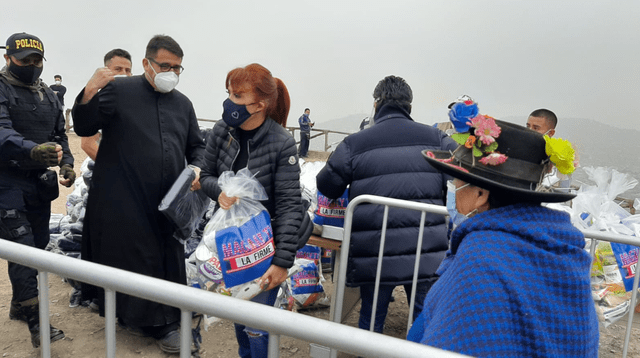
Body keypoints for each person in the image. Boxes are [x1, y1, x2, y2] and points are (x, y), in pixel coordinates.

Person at [409, 117, 598, 357]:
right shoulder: (567, 253)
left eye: (456, 180)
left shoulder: (479, 259)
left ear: (479, 194)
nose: (452, 187)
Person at [71, 35, 204, 353]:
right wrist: (89, 90)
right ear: (147, 64)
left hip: (169, 203)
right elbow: (84, 126)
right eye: (165, 65)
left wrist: (198, 169)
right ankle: (158, 325)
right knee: (133, 258)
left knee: (165, 260)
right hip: (124, 197)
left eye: (177, 67)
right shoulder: (119, 90)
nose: (171, 72)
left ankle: (164, 314)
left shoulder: (183, 104)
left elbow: (197, 146)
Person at [315, 75, 458, 334]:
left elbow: (327, 186)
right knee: (424, 319)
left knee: (371, 318)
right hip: (425, 250)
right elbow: (461, 180)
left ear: (376, 104)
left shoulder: (355, 143)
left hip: (375, 251)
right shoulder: (438, 139)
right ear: (410, 106)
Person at [199, 63, 303, 358]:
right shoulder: (223, 131)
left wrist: (282, 262)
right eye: (229, 93)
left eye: (237, 96)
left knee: (258, 323)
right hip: (228, 240)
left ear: (260, 104)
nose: (229, 102)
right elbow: (205, 174)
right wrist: (218, 193)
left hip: (261, 244)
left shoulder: (281, 142)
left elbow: (289, 205)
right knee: (239, 313)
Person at [0, 32, 75, 348]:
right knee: (24, 250)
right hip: (6, 184)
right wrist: (31, 150)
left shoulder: (48, 94)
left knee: (39, 247)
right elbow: (1, 131)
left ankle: (20, 305)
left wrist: (67, 164)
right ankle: (38, 327)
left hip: (38, 186)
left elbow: (60, 134)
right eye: (24, 60)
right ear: (8, 58)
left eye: (37, 60)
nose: (31, 66)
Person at [80, 48, 133, 161]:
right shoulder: (100, 102)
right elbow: (87, 144)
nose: (124, 74)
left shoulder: (134, 100)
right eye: (118, 69)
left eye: (128, 70)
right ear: (106, 71)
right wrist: (113, 167)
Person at [526, 108, 574, 190]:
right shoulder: (518, 145)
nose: (529, 131)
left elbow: (562, 189)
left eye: (536, 128)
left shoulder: (558, 156)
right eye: (528, 126)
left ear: (550, 133)